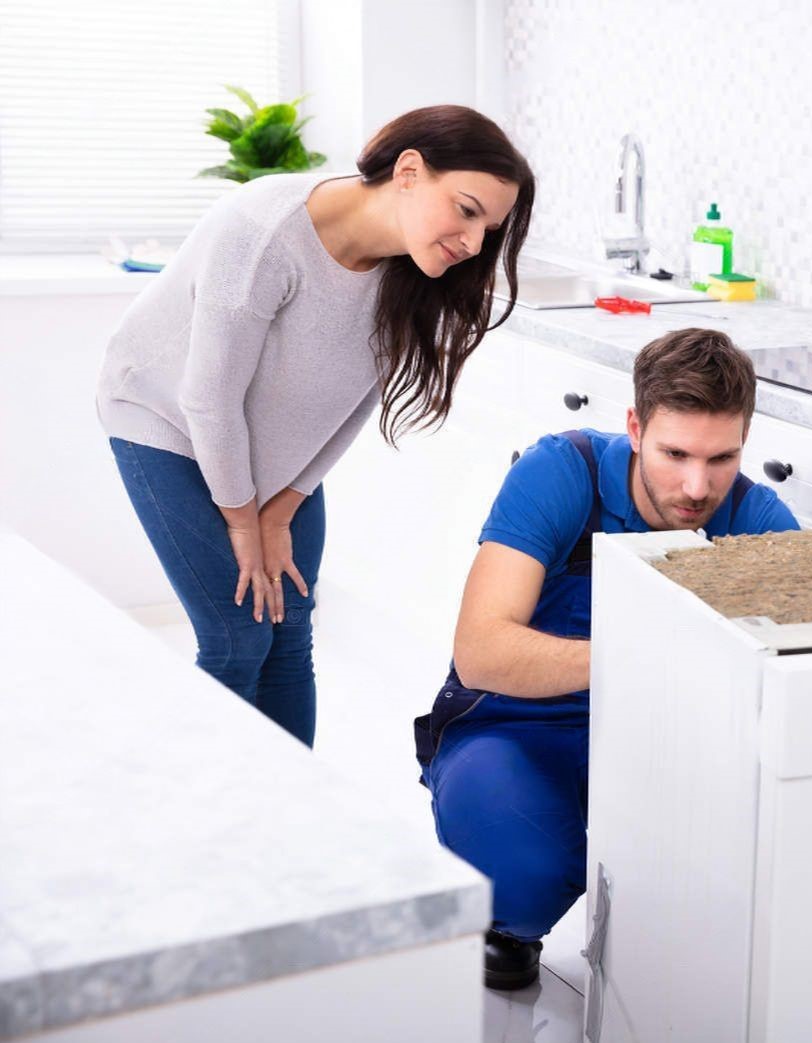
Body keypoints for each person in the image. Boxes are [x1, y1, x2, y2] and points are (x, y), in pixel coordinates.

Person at [97, 105, 534, 746]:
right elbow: (209, 400)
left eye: (487, 229)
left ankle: (290, 802)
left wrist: (281, 508)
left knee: (290, 626)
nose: (472, 243)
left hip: (268, 450)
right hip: (167, 423)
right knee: (236, 634)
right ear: (408, 172)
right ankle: (210, 797)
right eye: (466, 211)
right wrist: (243, 522)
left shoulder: (415, 269)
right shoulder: (264, 231)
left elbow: (358, 398)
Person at [414, 328, 799, 990]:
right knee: (526, 875)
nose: (697, 486)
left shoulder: (760, 522)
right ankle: (507, 921)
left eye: (722, 458)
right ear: (635, 428)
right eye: (675, 453)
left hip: (667, 740)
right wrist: (644, 655)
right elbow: (480, 651)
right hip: (517, 726)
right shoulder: (562, 472)